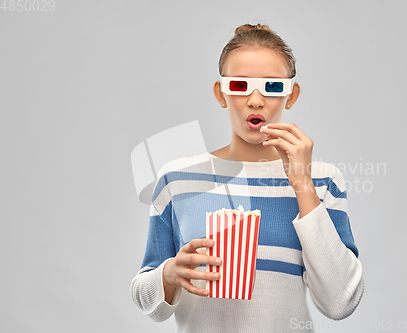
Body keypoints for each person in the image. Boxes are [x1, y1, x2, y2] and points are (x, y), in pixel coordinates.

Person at [130, 23, 364, 332]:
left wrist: (303, 185)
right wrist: (170, 274)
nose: (255, 101)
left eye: (272, 86)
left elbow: (340, 302)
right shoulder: (177, 178)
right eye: (240, 86)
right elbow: (146, 301)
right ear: (221, 93)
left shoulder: (322, 180)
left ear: (291, 95)